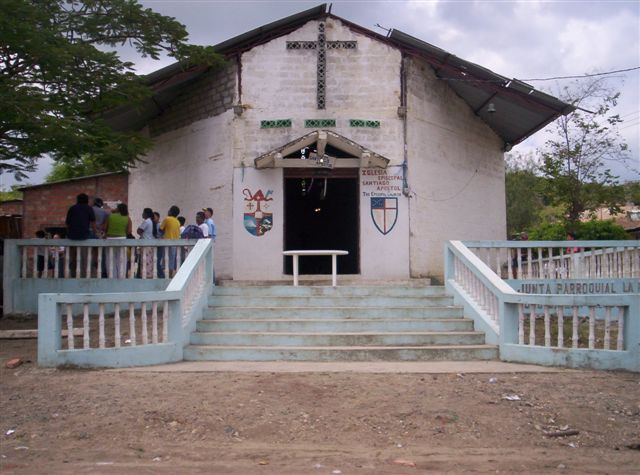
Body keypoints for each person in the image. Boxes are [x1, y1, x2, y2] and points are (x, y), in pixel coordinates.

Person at [65, 193, 95, 276]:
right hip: (84, 236)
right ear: (87, 200)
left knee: (72, 257)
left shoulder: (72, 208)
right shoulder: (89, 208)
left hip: (72, 236)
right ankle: (84, 274)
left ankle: (73, 273)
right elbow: (93, 222)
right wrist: (95, 233)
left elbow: (67, 223)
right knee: (84, 258)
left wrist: (68, 233)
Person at [105, 203, 132, 278]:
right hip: (122, 240)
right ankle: (121, 277)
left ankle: (111, 277)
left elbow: (105, 228)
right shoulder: (127, 218)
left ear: (118, 209)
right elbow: (129, 231)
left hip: (110, 239)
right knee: (121, 260)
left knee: (110, 260)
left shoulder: (110, 216)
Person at [160, 205, 181, 278]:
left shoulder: (167, 219)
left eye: (169, 210)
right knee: (171, 261)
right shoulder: (178, 222)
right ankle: (170, 275)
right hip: (174, 243)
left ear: (171, 212)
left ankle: (164, 276)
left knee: (165, 259)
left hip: (167, 242)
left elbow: (160, 229)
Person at [136, 208, 155, 278]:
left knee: (145, 261)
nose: (142, 214)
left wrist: (139, 229)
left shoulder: (146, 221)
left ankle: (144, 275)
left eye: (143, 212)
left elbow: (139, 230)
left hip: (145, 244)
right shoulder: (150, 221)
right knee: (148, 261)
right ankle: (148, 275)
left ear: (146, 214)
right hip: (149, 243)